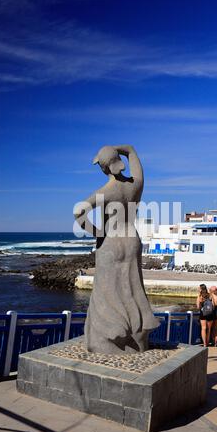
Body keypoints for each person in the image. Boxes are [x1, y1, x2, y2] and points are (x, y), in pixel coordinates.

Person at [75, 145, 159, 354]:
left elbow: (79, 212)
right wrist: (125, 149)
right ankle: (138, 337)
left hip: (111, 243)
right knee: (132, 288)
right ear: (118, 163)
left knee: (107, 291)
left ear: (104, 168)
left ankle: (111, 337)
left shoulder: (105, 192)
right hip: (131, 240)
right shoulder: (135, 186)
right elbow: (132, 153)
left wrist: (97, 232)